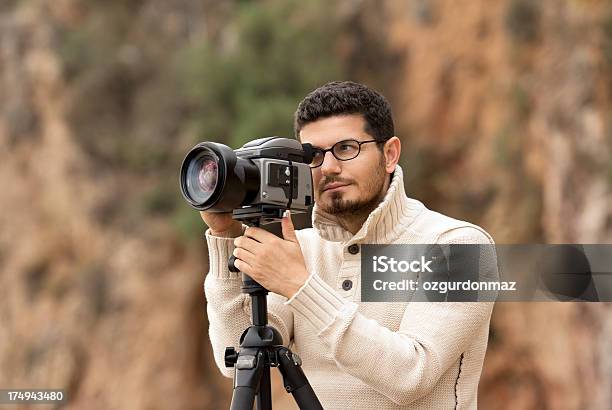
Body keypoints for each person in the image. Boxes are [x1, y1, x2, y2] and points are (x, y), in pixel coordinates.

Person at [202, 81, 495, 409]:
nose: (328, 167)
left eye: (346, 148)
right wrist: (226, 237)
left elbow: (411, 375)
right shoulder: (301, 251)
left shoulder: (460, 247)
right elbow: (236, 356)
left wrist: (302, 286)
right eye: (313, 156)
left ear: (390, 154)